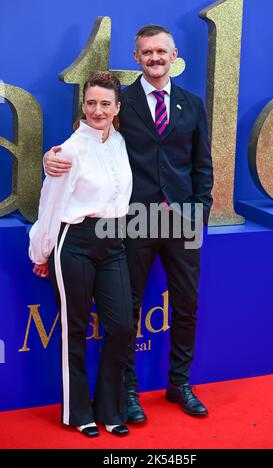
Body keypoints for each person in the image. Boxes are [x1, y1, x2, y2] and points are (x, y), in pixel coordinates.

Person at [44, 25, 213, 424]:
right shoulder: (121, 102)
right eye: (146, 53)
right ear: (135, 58)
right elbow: (88, 139)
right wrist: (51, 161)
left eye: (161, 51)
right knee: (128, 311)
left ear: (173, 55)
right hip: (133, 223)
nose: (154, 58)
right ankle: (129, 390)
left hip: (181, 223)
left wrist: (198, 213)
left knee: (186, 305)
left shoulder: (192, 103)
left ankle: (180, 384)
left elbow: (203, 164)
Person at [29, 71, 133, 437]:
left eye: (106, 104)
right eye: (91, 103)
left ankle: (109, 407)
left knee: (121, 326)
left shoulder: (119, 142)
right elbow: (50, 205)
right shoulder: (69, 150)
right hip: (74, 243)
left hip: (113, 242)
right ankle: (78, 413)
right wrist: (42, 253)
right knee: (74, 331)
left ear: (117, 107)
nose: (98, 110)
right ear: (83, 106)